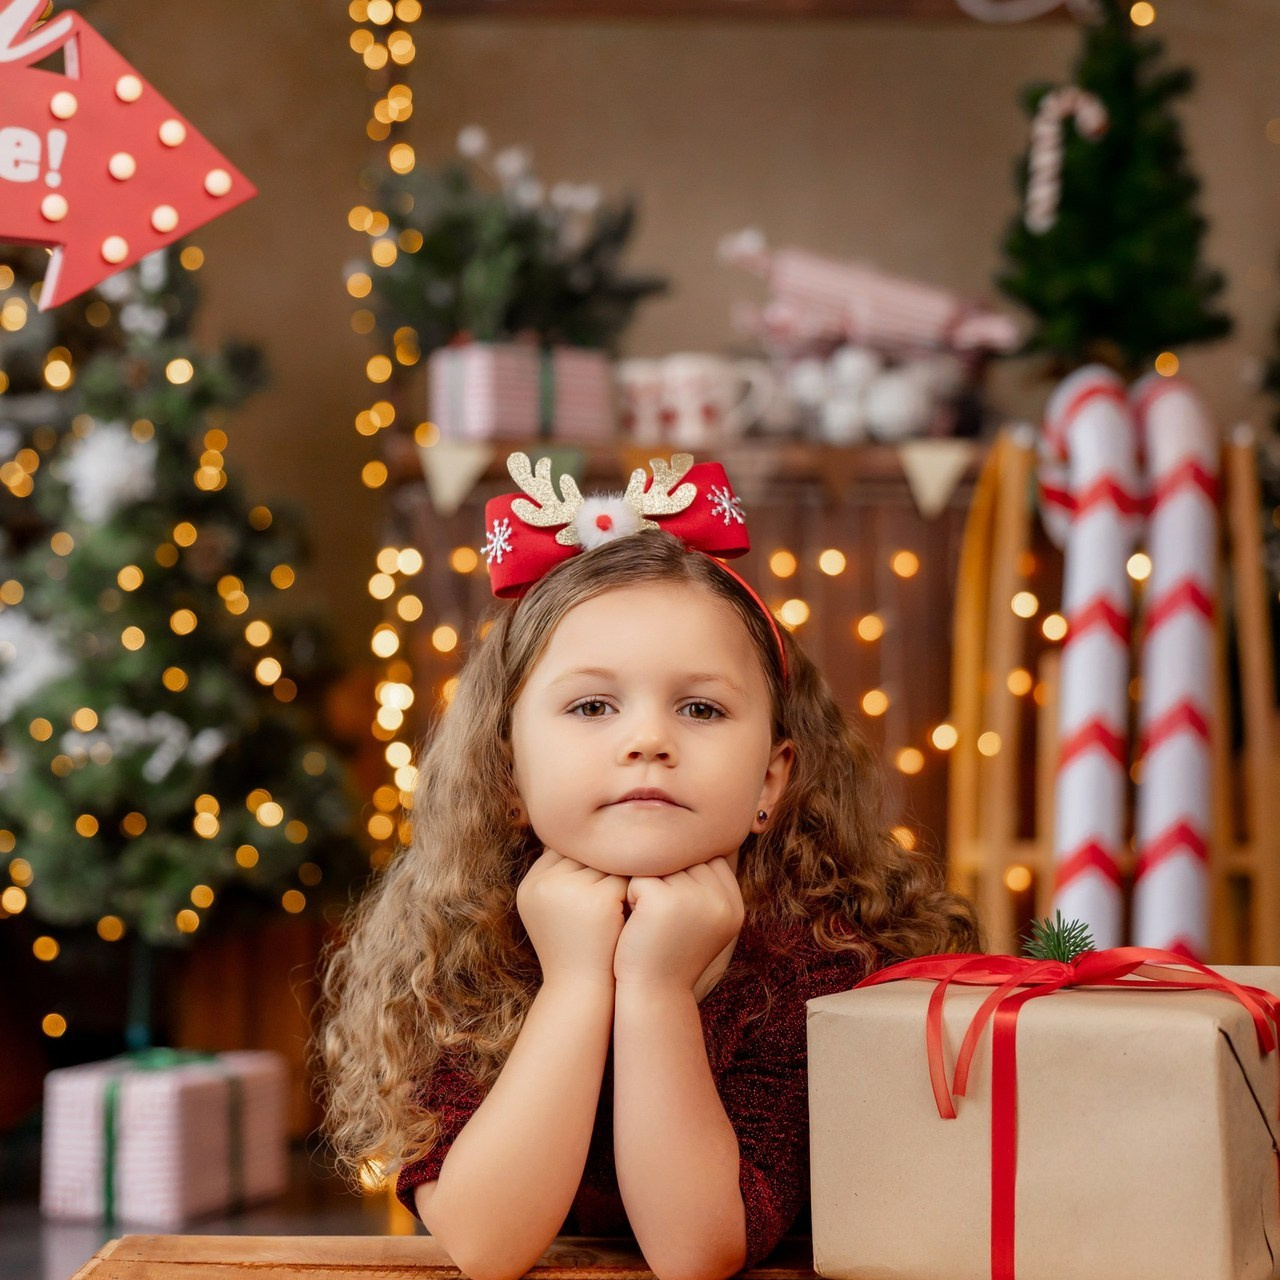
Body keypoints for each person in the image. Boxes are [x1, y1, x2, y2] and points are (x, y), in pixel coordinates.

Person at [318, 452, 981, 1280]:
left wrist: (658, 990)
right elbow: (487, 1246)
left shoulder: (830, 958)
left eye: (700, 707)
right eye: (592, 705)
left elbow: (697, 1252)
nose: (648, 740)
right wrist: (575, 983)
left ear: (771, 779)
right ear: (507, 772)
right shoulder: (455, 945)